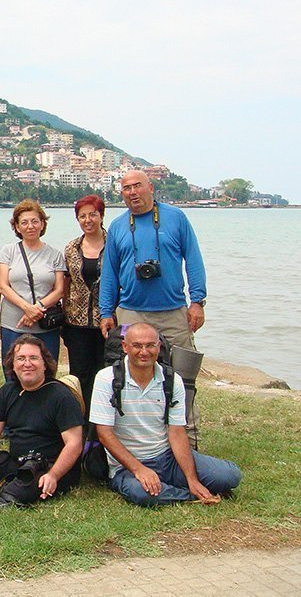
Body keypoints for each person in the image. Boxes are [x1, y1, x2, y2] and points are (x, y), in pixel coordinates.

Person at [99, 169, 207, 447]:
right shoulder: (119, 226)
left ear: (151, 187)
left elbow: (194, 260)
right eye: (126, 188)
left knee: (184, 377)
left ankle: (188, 440)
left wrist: (197, 301)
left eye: (137, 186)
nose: (132, 192)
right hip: (130, 311)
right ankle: (134, 438)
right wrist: (106, 312)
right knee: (128, 376)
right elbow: (109, 273)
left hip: (173, 311)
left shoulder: (176, 218)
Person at [89, 323, 241, 506]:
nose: (144, 352)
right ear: (125, 347)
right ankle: (190, 495)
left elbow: (176, 432)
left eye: (150, 345)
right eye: (137, 346)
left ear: (158, 347)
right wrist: (138, 469)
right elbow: (105, 434)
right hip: (126, 465)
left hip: (167, 458)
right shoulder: (106, 379)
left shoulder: (171, 380)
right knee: (141, 494)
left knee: (230, 475)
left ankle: (179, 487)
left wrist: (192, 478)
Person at [0, 334, 83, 522]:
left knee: (20, 488)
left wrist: (53, 475)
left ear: (45, 364)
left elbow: (74, 444)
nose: (27, 364)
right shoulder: (8, 391)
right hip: (17, 461)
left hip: (50, 466)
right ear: (13, 364)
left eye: (33, 358)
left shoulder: (61, 396)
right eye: (21, 358)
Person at [0, 199, 66, 368]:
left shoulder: (54, 255)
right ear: (17, 227)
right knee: (13, 370)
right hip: (14, 324)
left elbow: (59, 290)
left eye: (35, 221)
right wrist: (28, 309)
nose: (30, 226)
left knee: (47, 370)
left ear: (42, 224)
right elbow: (3, 286)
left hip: (46, 324)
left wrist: (37, 308)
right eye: (24, 222)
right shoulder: (8, 252)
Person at [61, 194, 107, 414]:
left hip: (107, 322)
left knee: (105, 373)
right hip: (76, 324)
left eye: (93, 215)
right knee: (80, 375)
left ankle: (102, 421)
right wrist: (63, 315)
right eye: (82, 216)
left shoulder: (114, 245)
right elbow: (65, 283)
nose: (88, 220)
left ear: (101, 216)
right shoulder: (72, 248)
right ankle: (80, 420)